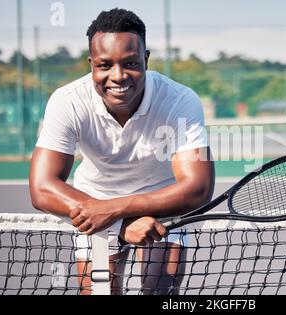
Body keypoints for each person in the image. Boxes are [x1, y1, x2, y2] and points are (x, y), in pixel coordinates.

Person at [29, 8, 215, 294]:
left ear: (146, 59)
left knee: (159, 292)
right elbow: (42, 189)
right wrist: (120, 222)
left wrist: (116, 210)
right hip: (92, 203)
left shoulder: (179, 100)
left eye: (130, 63)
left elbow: (198, 188)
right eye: (104, 65)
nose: (118, 76)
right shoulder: (68, 101)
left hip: (163, 205)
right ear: (91, 64)